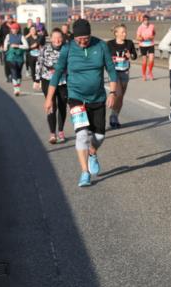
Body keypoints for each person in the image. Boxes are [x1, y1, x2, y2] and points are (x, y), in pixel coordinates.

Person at [43, 19, 120, 187]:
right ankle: (85, 172)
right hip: (76, 96)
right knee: (82, 134)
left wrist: (113, 92)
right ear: (74, 38)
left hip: (98, 97)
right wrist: (49, 98)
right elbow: (57, 74)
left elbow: (112, 70)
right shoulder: (68, 48)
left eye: (85, 38)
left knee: (99, 136)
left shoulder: (101, 46)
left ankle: (92, 152)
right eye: (79, 40)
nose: (82, 42)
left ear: (90, 35)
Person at [36, 28, 68, 144]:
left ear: (62, 38)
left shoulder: (67, 48)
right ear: (50, 38)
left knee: (62, 106)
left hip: (63, 82)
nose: (57, 40)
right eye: (54, 37)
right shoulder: (45, 49)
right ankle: (52, 133)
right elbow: (39, 63)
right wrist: (36, 79)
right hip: (47, 81)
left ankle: (60, 131)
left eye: (59, 37)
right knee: (51, 106)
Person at [106, 24, 137, 129]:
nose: (125, 34)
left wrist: (130, 56)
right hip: (114, 72)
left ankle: (114, 116)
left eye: (125, 32)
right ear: (116, 33)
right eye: (122, 32)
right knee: (118, 94)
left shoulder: (129, 43)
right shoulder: (110, 44)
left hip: (125, 72)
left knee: (121, 97)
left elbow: (134, 56)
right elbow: (105, 57)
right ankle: (113, 117)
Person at [3, 22, 28, 96]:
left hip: (20, 57)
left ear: (18, 29)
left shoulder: (21, 36)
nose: (13, 30)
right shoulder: (8, 36)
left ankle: (18, 87)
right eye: (12, 29)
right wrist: (5, 48)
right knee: (13, 72)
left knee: (19, 73)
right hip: (11, 56)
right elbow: (5, 44)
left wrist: (17, 45)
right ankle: (16, 89)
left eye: (15, 29)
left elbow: (26, 46)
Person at [135, 15, 157, 80]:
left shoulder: (152, 26)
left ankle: (150, 72)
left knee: (151, 59)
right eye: (145, 20)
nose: (146, 21)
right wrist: (141, 38)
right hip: (143, 45)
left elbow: (154, 33)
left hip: (151, 44)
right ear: (142, 21)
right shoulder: (140, 28)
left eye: (147, 20)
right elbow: (137, 37)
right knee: (144, 61)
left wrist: (152, 37)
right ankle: (144, 74)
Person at [25, 25, 44, 89]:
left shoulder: (40, 37)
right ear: (30, 31)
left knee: (39, 69)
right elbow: (26, 48)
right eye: (31, 30)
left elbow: (42, 44)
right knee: (33, 69)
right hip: (31, 56)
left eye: (34, 30)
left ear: (36, 30)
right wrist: (31, 47)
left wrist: (38, 45)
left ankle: (40, 81)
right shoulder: (28, 39)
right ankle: (35, 81)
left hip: (39, 56)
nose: (33, 31)